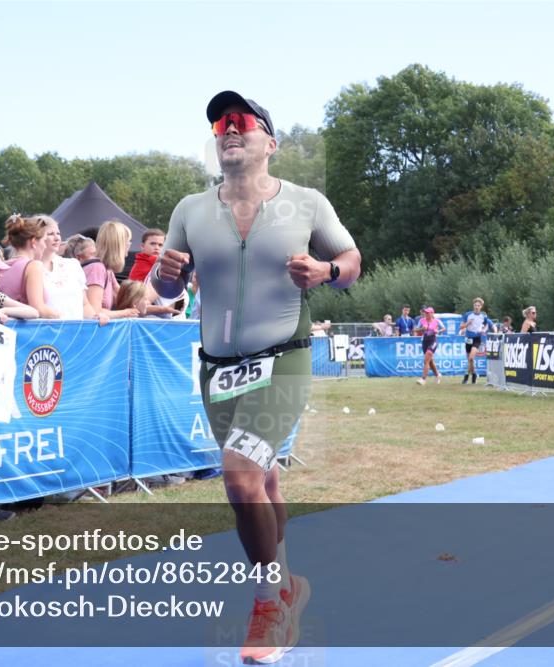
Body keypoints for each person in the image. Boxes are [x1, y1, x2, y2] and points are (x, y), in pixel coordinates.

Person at [152, 90, 360, 665]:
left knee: (240, 478)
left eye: (241, 122)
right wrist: (168, 278)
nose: (228, 130)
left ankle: (271, 606)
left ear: (270, 143)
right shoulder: (190, 210)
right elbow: (165, 291)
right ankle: (291, 583)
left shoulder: (306, 203)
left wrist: (325, 270)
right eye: (221, 124)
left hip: (283, 356)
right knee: (263, 482)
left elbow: (350, 263)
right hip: (218, 367)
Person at [33, 215, 97, 320]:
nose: (57, 238)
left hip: (76, 333)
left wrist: (96, 317)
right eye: (50, 234)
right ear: (36, 238)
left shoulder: (72, 265)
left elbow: (85, 305)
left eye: (58, 233)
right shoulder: (30, 268)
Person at [0, 215, 60, 318]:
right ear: (33, 242)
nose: (44, 246)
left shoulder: (2, 266)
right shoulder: (33, 266)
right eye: (44, 241)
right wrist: (60, 316)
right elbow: (38, 308)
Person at [80, 221, 140, 320]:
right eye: (128, 240)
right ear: (119, 244)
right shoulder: (97, 269)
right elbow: (94, 312)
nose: (130, 244)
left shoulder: (107, 270)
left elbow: (123, 299)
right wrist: (125, 313)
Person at [459, 297, 495, 384]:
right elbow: (461, 326)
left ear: (481, 307)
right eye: (475, 305)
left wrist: (484, 330)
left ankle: (467, 376)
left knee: (471, 358)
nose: (476, 307)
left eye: (478, 305)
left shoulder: (483, 316)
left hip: (477, 338)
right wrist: (468, 323)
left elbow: (486, 325)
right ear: (473, 306)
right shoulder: (468, 314)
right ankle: (474, 374)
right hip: (468, 338)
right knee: (470, 360)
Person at [416, 306, 446, 385]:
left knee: (426, 360)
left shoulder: (436, 321)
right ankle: (437, 375)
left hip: (433, 341)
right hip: (425, 341)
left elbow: (444, 328)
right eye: (425, 312)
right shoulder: (421, 320)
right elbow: (415, 329)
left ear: (432, 313)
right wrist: (422, 329)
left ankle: (423, 379)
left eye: (428, 313)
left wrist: (438, 331)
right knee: (430, 361)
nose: (426, 314)